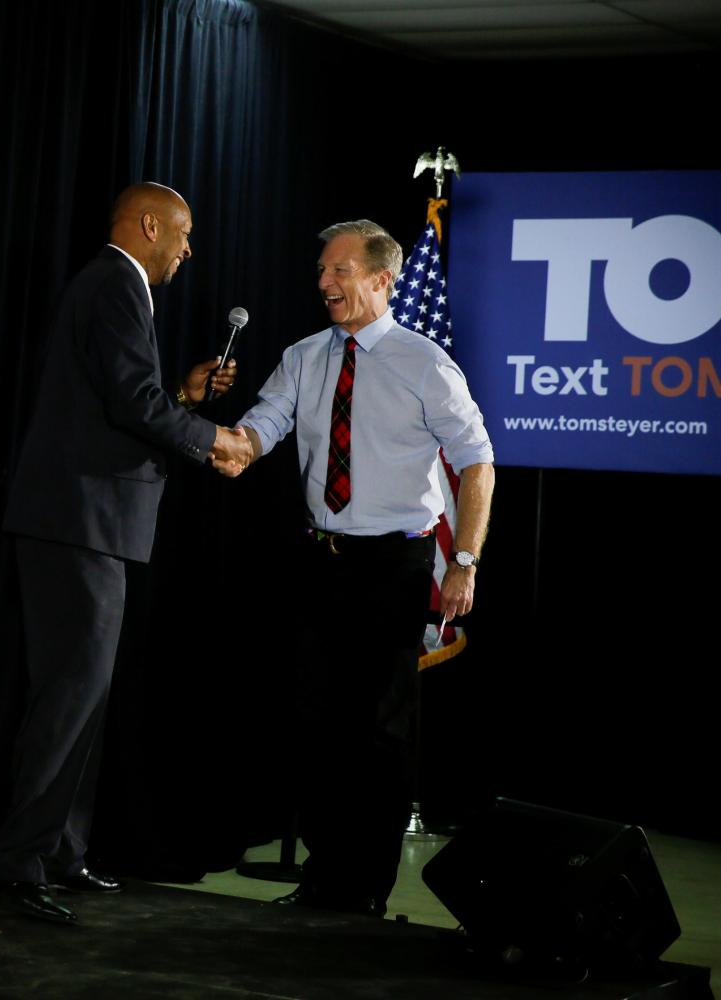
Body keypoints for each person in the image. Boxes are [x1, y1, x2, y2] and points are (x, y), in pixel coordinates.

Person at [0, 182, 253, 924]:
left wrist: (186, 397)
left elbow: (118, 402)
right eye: (184, 233)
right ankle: (16, 863)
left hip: (90, 521)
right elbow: (133, 404)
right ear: (148, 225)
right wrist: (211, 440)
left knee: (87, 696)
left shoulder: (113, 288)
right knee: (69, 695)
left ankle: (62, 852)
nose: (189, 249)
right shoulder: (116, 283)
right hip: (78, 521)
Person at [231, 219, 494, 917]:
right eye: (322, 271)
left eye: (340, 271)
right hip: (324, 560)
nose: (324, 283)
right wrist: (237, 444)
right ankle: (324, 878)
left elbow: (476, 463)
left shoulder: (425, 362)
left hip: (397, 564)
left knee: (378, 730)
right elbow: (267, 420)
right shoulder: (304, 355)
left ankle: (364, 892)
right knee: (319, 719)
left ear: (382, 279)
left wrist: (462, 560)